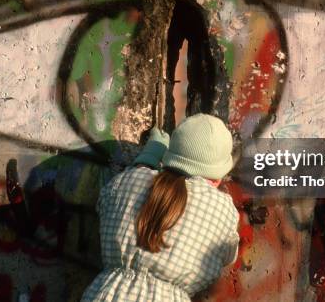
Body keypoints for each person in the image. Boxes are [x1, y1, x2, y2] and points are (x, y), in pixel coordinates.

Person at [82, 113, 240, 301]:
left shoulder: (129, 181)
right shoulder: (221, 210)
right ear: (217, 176)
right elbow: (229, 254)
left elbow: (105, 203)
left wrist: (148, 157)